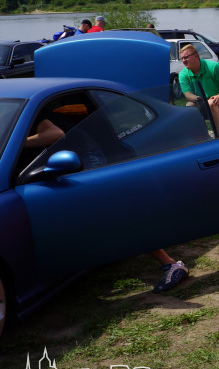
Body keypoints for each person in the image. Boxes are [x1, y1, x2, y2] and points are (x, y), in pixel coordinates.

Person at [24, 113, 188, 293]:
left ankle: (171, 264)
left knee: (111, 215)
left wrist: (21, 142)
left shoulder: (29, 115)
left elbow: (56, 134)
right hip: (63, 160)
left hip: (87, 156)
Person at [177, 42, 219, 136]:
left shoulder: (214, 67)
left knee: (212, 104)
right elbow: (188, 95)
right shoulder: (183, 74)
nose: (184, 61)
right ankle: (197, 137)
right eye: (182, 58)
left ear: (195, 56)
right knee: (189, 106)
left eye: (186, 57)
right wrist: (201, 100)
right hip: (200, 101)